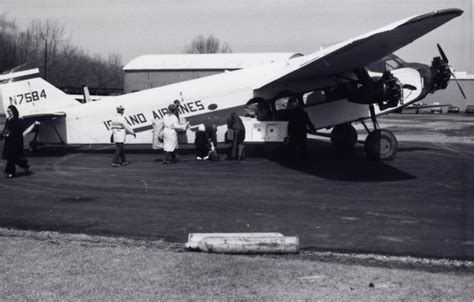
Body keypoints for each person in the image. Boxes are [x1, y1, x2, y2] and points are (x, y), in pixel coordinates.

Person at [1, 105, 30, 178]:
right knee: (14, 158)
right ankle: (24, 164)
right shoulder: (8, 119)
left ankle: (11, 173)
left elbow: (19, 130)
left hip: (16, 142)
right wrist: (3, 134)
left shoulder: (18, 120)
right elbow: (6, 128)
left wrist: (10, 134)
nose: (8, 112)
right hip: (9, 141)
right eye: (8, 111)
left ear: (13, 111)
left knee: (11, 157)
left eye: (9, 111)